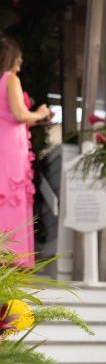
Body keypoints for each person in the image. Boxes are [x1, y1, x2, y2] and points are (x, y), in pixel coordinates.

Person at [0, 36, 51, 264]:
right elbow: (20, 114)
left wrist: (35, 119)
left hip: (4, 143)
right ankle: (10, 256)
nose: (19, 67)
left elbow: (9, 117)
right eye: (18, 60)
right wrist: (40, 113)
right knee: (12, 194)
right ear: (10, 57)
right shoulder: (10, 79)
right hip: (10, 149)